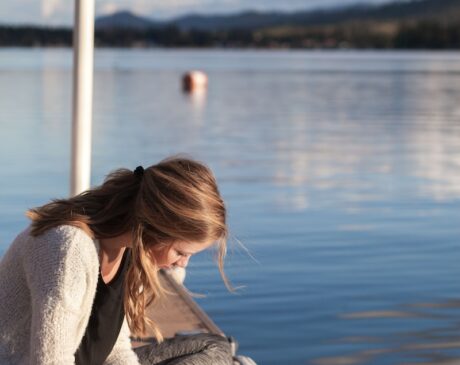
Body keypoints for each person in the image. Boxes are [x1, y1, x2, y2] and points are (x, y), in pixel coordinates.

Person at [0, 156, 234, 365]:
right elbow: (51, 361)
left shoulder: (131, 250)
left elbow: (114, 347)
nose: (182, 264)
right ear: (154, 228)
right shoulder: (68, 247)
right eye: (181, 253)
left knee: (215, 348)